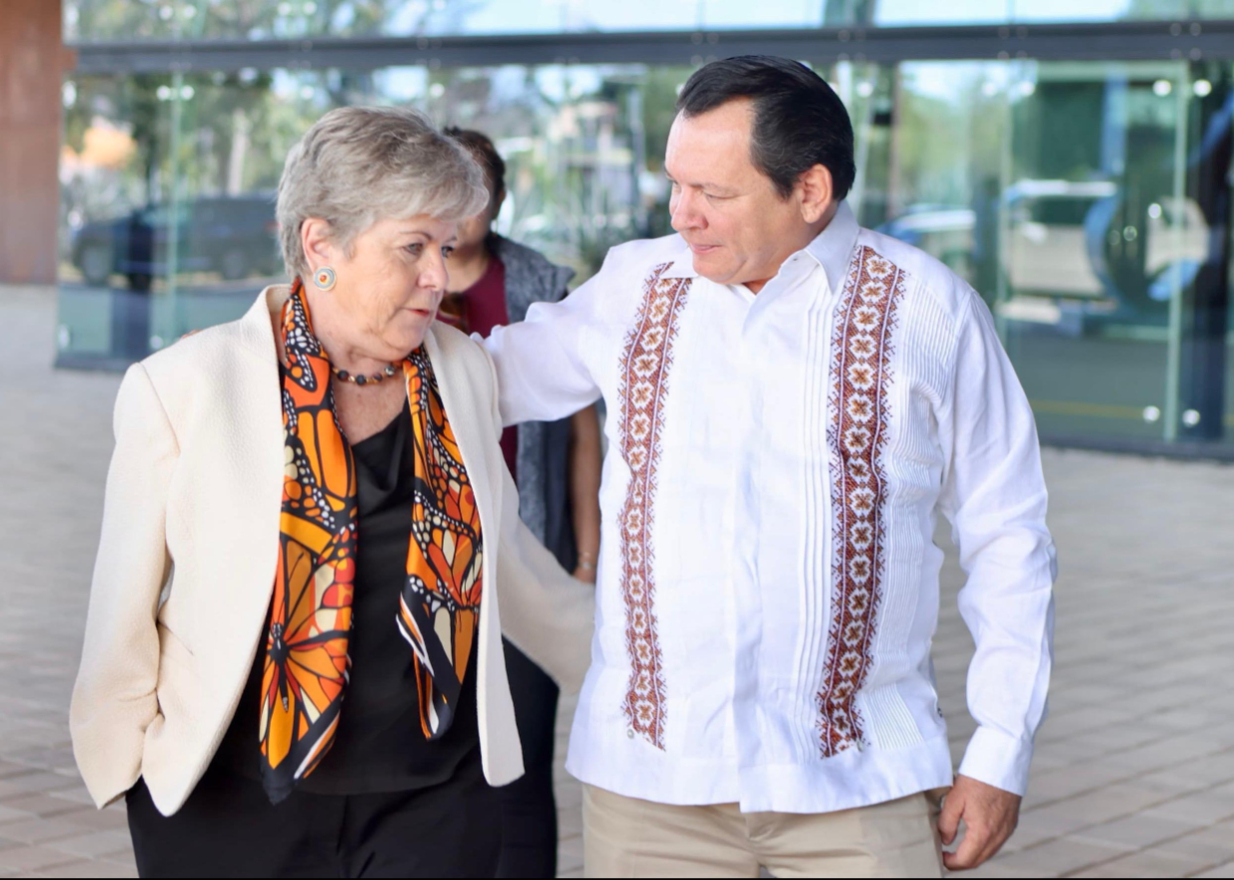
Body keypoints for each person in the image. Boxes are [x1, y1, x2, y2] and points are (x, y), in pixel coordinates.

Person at [482, 56, 1057, 878]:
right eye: (676, 184)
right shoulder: (633, 287)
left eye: (712, 193)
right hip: (651, 791)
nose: (682, 214)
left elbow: (1010, 537)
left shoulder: (932, 312)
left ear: (810, 192)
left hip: (859, 787)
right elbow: (486, 380)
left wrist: (999, 752)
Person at [69, 106, 594, 879]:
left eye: (444, 249)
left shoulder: (463, 372)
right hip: (232, 805)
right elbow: (122, 606)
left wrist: (636, 669)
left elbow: (510, 562)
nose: (436, 278)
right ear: (321, 246)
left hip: (433, 802)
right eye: (411, 248)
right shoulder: (185, 386)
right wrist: (128, 772)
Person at [441, 126, 603, 880]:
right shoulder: (402, 278)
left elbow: (581, 433)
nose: (462, 206)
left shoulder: (540, 282)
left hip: (524, 550)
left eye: (477, 190)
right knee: (441, 764)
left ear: (499, 200)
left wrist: (586, 553)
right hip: (433, 558)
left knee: (522, 765)